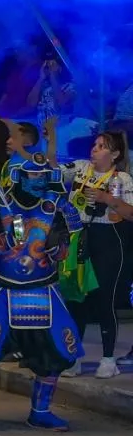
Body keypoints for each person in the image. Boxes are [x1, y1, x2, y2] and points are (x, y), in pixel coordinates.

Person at [0, 148, 82, 430]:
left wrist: (54, 245)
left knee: (58, 348)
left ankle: (41, 410)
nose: (38, 182)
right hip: (1, 287)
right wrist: (1, 242)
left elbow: (65, 250)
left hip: (42, 288)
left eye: (43, 176)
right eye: (32, 176)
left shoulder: (58, 205)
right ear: (19, 177)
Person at [64, 131, 132, 378]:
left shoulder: (122, 178)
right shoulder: (81, 169)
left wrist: (106, 198)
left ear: (114, 154)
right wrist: (49, 142)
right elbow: (50, 168)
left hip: (109, 242)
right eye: (94, 144)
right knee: (76, 301)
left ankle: (108, 358)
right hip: (80, 239)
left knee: (105, 301)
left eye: (102, 146)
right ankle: (74, 357)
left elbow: (130, 213)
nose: (94, 149)